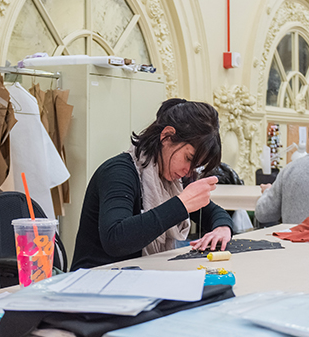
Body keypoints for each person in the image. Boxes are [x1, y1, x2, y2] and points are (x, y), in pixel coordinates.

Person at [72, 99, 234, 269]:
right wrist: (181, 205)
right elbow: (115, 239)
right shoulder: (119, 172)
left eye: (196, 165)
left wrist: (222, 228)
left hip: (138, 277)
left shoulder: (173, 181)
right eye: (188, 158)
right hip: (96, 281)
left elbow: (213, 212)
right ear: (167, 137)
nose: (188, 170)